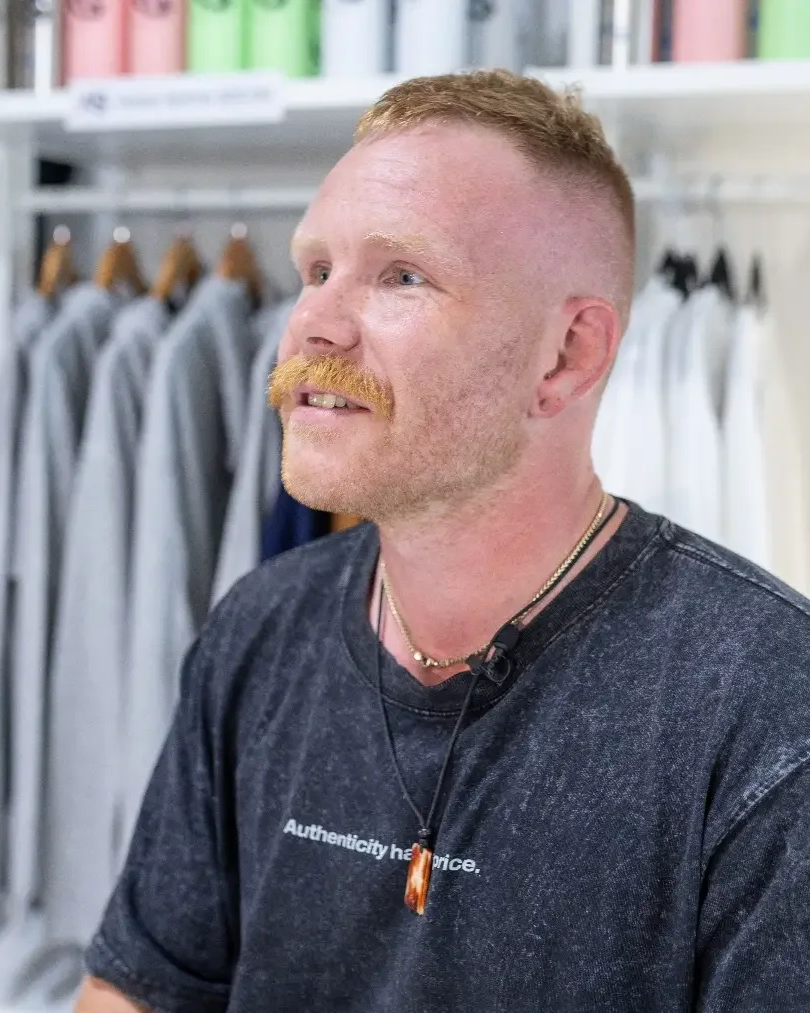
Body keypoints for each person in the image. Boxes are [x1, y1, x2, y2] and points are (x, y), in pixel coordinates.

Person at [76, 71, 810, 1013]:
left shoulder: (765, 706)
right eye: (316, 269)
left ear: (567, 356)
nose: (314, 322)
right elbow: (138, 988)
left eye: (402, 276)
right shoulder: (261, 628)